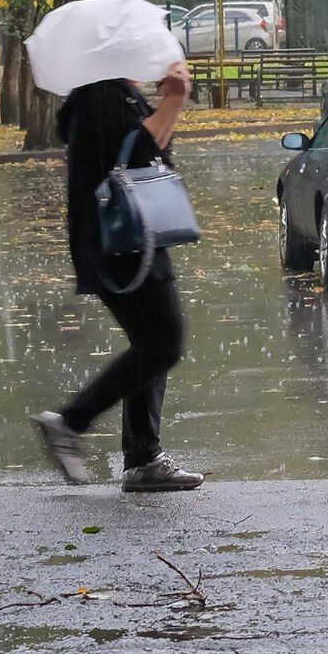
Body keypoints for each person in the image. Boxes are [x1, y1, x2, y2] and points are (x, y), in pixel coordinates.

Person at [34, 61, 203, 493]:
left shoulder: (117, 92)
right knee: (163, 342)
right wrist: (173, 100)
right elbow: (138, 149)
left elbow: (154, 152)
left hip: (133, 237)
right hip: (120, 240)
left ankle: (142, 458)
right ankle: (71, 422)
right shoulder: (100, 95)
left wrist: (168, 105)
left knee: (151, 343)